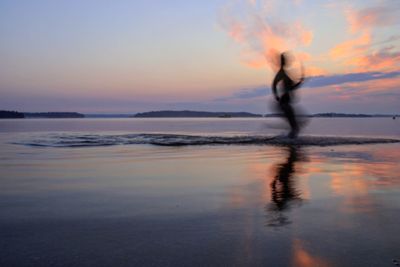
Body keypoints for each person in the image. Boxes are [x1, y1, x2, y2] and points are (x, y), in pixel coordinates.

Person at [271, 52, 305, 138]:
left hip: (286, 102)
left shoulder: (285, 73)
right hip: (284, 102)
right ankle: (289, 143)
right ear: (283, 61)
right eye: (285, 60)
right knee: (295, 127)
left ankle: (289, 142)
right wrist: (276, 96)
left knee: (295, 127)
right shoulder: (281, 73)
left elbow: (291, 88)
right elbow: (274, 84)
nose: (287, 61)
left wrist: (300, 82)